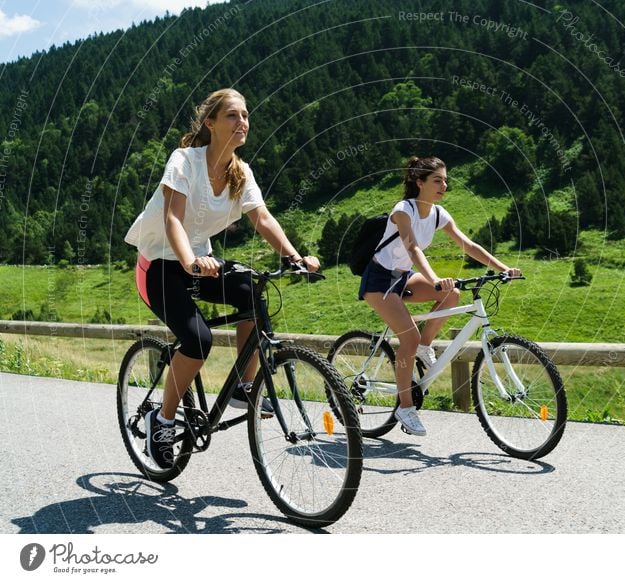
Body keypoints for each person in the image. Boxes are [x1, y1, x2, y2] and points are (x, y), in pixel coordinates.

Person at [124, 88, 319, 469]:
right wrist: (192, 262)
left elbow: (262, 218)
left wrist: (295, 258)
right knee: (198, 340)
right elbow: (172, 219)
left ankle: (244, 387)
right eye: (232, 115)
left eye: (245, 115)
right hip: (160, 263)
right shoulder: (185, 161)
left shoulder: (240, 173)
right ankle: (162, 420)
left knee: (251, 291)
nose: (242, 122)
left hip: (200, 260)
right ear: (210, 123)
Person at [359, 156, 521, 436]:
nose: (444, 185)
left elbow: (468, 245)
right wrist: (433, 279)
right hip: (380, 279)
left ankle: (424, 347)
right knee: (407, 337)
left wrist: (503, 268)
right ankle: (406, 408)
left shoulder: (438, 213)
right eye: (437, 180)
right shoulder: (403, 210)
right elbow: (412, 248)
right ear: (419, 182)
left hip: (403, 277)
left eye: (445, 180)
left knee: (452, 295)